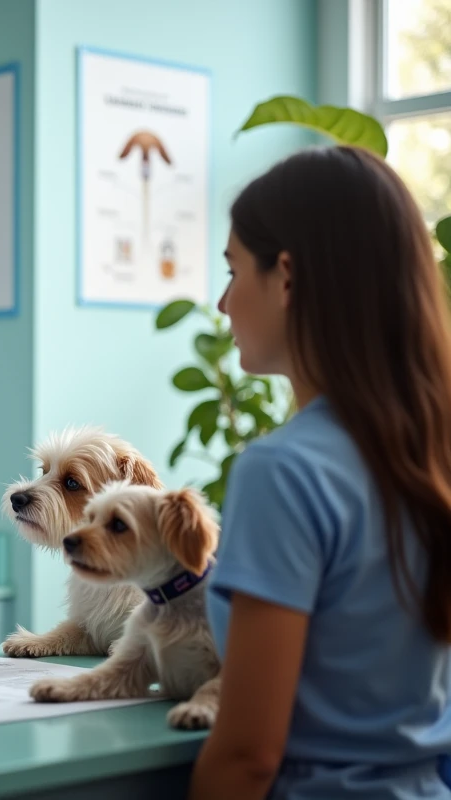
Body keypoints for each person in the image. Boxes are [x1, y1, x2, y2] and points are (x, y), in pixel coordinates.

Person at [188, 144, 451, 799]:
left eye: (233, 270)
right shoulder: (429, 454)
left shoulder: (282, 471)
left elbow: (248, 754)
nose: (223, 303)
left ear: (285, 276)